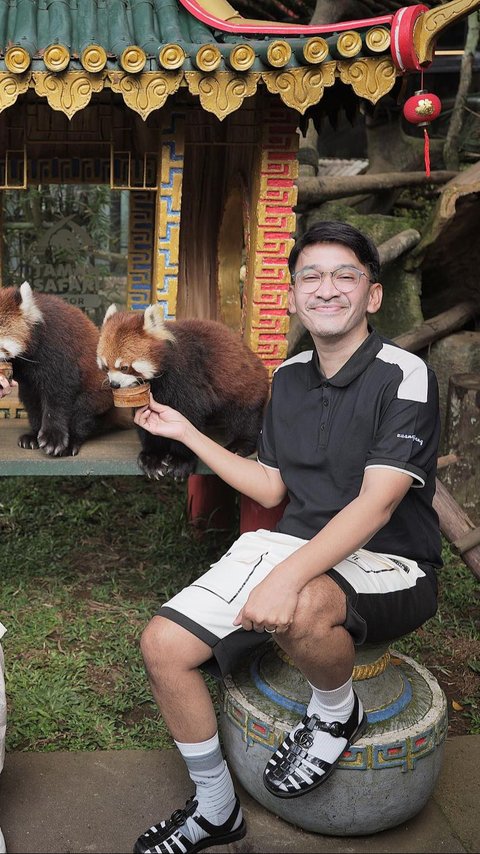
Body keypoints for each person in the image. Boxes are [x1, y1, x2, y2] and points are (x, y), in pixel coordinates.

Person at [132, 220, 442, 854]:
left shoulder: (404, 374)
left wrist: (288, 575)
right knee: (163, 646)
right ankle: (217, 811)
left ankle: (336, 711)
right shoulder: (291, 376)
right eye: (311, 277)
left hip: (392, 559)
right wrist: (188, 433)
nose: (327, 289)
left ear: (372, 296)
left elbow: (377, 506)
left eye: (344, 275)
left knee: (299, 607)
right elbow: (272, 488)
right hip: (296, 543)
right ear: (293, 297)